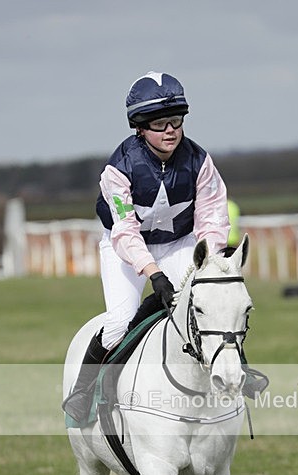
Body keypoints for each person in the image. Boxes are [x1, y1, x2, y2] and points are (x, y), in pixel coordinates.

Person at [64, 72, 266, 425]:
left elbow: (214, 220)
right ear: (140, 128)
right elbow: (125, 231)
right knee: (118, 324)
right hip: (124, 248)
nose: (170, 131)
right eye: (160, 124)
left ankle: (239, 372)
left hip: (180, 244)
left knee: (210, 304)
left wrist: (207, 262)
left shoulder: (200, 162)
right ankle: (84, 393)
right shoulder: (118, 168)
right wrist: (153, 274)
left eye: (176, 122)